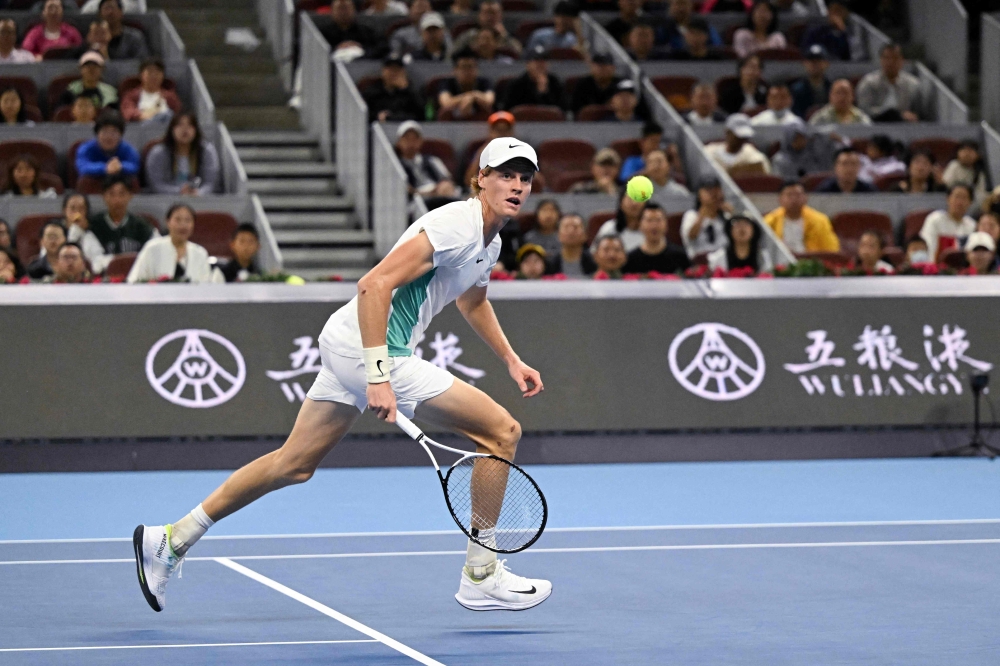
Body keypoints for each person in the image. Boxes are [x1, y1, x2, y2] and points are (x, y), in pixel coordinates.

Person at [135, 137, 552, 615]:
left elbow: (471, 302)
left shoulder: (489, 240)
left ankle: (170, 540)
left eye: (525, 178)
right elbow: (373, 284)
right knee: (502, 432)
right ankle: (481, 572)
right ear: (481, 178)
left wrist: (511, 360)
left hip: (348, 341)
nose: (517, 185)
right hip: (372, 348)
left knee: (294, 464)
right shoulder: (456, 224)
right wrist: (378, 375)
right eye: (505, 175)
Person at [128, 204, 222, 283]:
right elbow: (135, 281)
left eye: (188, 220)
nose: (183, 225)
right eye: (178, 220)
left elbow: (206, 288)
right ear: (167, 222)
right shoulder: (152, 248)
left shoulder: (200, 253)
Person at [145, 112, 221, 196]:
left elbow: (211, 183)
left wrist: (199, 193)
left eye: (190, 125)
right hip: (166, 200)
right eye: (180, 125)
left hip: (199, 199)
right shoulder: (158, 153)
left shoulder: (206, 151)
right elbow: (156, 185)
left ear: (196, 130)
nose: (185, 129)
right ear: (172, 129)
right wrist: (179, 192)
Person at [88, 174, 157, 255]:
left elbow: (157, 250)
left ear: (130, 196)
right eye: (112, 194)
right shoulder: (93, 225)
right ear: (103, 196)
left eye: (122, 194)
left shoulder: (141, 225)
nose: (117, 200)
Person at [395, 120, 459, 208]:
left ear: (420, 141)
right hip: (415, 204)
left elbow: (447, 181)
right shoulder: (396, 166)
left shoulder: (432, 160)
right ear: (398, 142)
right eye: (407, 139)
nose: (411, 143)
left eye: (414, 139)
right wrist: (426, 193)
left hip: (439, 199)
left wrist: (442, 188)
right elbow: (406, 191)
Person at [763, 181, 840, 253]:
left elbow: (832, 249)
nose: (794, 199)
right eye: (789, 195)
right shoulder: (770, 221)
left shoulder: (820, 221)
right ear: (780, 199)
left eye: (798, 195)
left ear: (805, 198)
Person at [856, 43, 922, 123]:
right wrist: (895, 114)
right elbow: (864, 110)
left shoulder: (913, 84)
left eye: (895, 58)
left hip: (904, 128)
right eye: (887, 58)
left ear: (902, 60)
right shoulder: (868, 82)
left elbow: (918, 113)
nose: (891, 62)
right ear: (881, 60)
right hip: (874, 126)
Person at [623, 203, 690, 274]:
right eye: (649, 220)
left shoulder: (680, 256)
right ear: (640, 225)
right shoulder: (631, 260)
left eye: (658, 220)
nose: (654, 226)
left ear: (666, 225)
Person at [920, 184, 976, 261]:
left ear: (970, 203)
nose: (960, 202)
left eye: (964, 198)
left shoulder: (971, 225)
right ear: (948, 199)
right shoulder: (935, 220)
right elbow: (928, 247)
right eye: (957, 197)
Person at [704, 113, 771, 176]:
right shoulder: (709, 151)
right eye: (737, 136)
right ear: (728, 133)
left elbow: (764, 171)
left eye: (744, 137)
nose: (741, 140)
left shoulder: (751, 153)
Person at [363, 53, 424, 122]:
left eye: (397, 69)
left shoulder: (410, 93)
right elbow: (364, 114)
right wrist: (377, 116)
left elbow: (421, 115)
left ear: (403, 72)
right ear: (383, 71)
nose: (393, 73)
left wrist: (405, 89)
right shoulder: (373, 92)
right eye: (390, 69)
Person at [437, 49, 495, 120]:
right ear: (455, 70)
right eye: (464, 67)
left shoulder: (485, 82)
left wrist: (471, 96)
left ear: (477, 69)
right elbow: (446, 103)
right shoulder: (446, 82)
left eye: (470, 67)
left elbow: (489, 101)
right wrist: (469, 96)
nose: (467, 71)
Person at [502, 46, 565, 111]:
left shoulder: (555, 83)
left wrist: (544, 92)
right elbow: (507, 110)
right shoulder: (516, 85)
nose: (540, 64)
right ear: (528, 64)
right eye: (536, 61)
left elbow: (563, 110)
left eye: (544, 60)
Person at [463, 111, 516, 186]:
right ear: (490, 131)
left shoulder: (523, 150)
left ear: (512, 132)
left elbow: (535, 182)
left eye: (505, 130)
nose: (501, 134)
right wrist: (480, 156)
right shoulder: (475, 148)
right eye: (498, 130)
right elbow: (468, 182)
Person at [59, 192, 108, 273]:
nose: (77, 213)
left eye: (81, 209)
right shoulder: (57, 231)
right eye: (72, 208)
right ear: (64, 210)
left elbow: (100, 261)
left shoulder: (95, 232)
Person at [452, 0, 522, 56]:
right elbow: (452, 54)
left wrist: (504, 35)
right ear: (479, 16)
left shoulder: (507, 36)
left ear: (501, 16)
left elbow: (519, 54)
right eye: (486, 13)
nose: (489, 17)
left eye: (493, 13)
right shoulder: (469, 35)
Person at [771, 123, 840, 180]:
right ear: (788, 140)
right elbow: (779, 182)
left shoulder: (813, 155)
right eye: (796, 138)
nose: (800, 141)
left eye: (802, 137)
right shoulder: (779, 160)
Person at [681, 180, 730, 259]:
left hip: (723, 258)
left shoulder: (725, 215)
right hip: (699, 259)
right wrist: (700, 218)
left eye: (716, 191)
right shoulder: (691, 215)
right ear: (699, 195)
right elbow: (690, 237)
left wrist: (733, 214)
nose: (713, 195)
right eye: (708, 191)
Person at [319, 0, 385, 59]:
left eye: (346, 8)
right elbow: (317, 51)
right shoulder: (323, 33)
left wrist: (361, 48)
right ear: (332, 11)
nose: (343, 12)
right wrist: (337, 49)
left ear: (354, 10)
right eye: (340, 8)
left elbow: (382, 48)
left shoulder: (366, 32)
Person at [708, 215, 773, 274]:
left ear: (754, 230)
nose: (742, 229)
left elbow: (767, 276)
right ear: (730, 231)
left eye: (746, 225)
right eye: (737, 225)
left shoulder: (763, 256)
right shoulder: (718, 257)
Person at [592, 188, 647, 252]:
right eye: (630, 198)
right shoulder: (609, 228)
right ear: (621, 203)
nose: (634, 203)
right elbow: (594, 255)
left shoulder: (653, 230)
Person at [790, 44, 832, 119]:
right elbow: (795, 114)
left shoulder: (832, 88)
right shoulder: (796, 90)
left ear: (827, 63)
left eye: (819, 61)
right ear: (804, 63)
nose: (815, 65)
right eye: (811, 61)